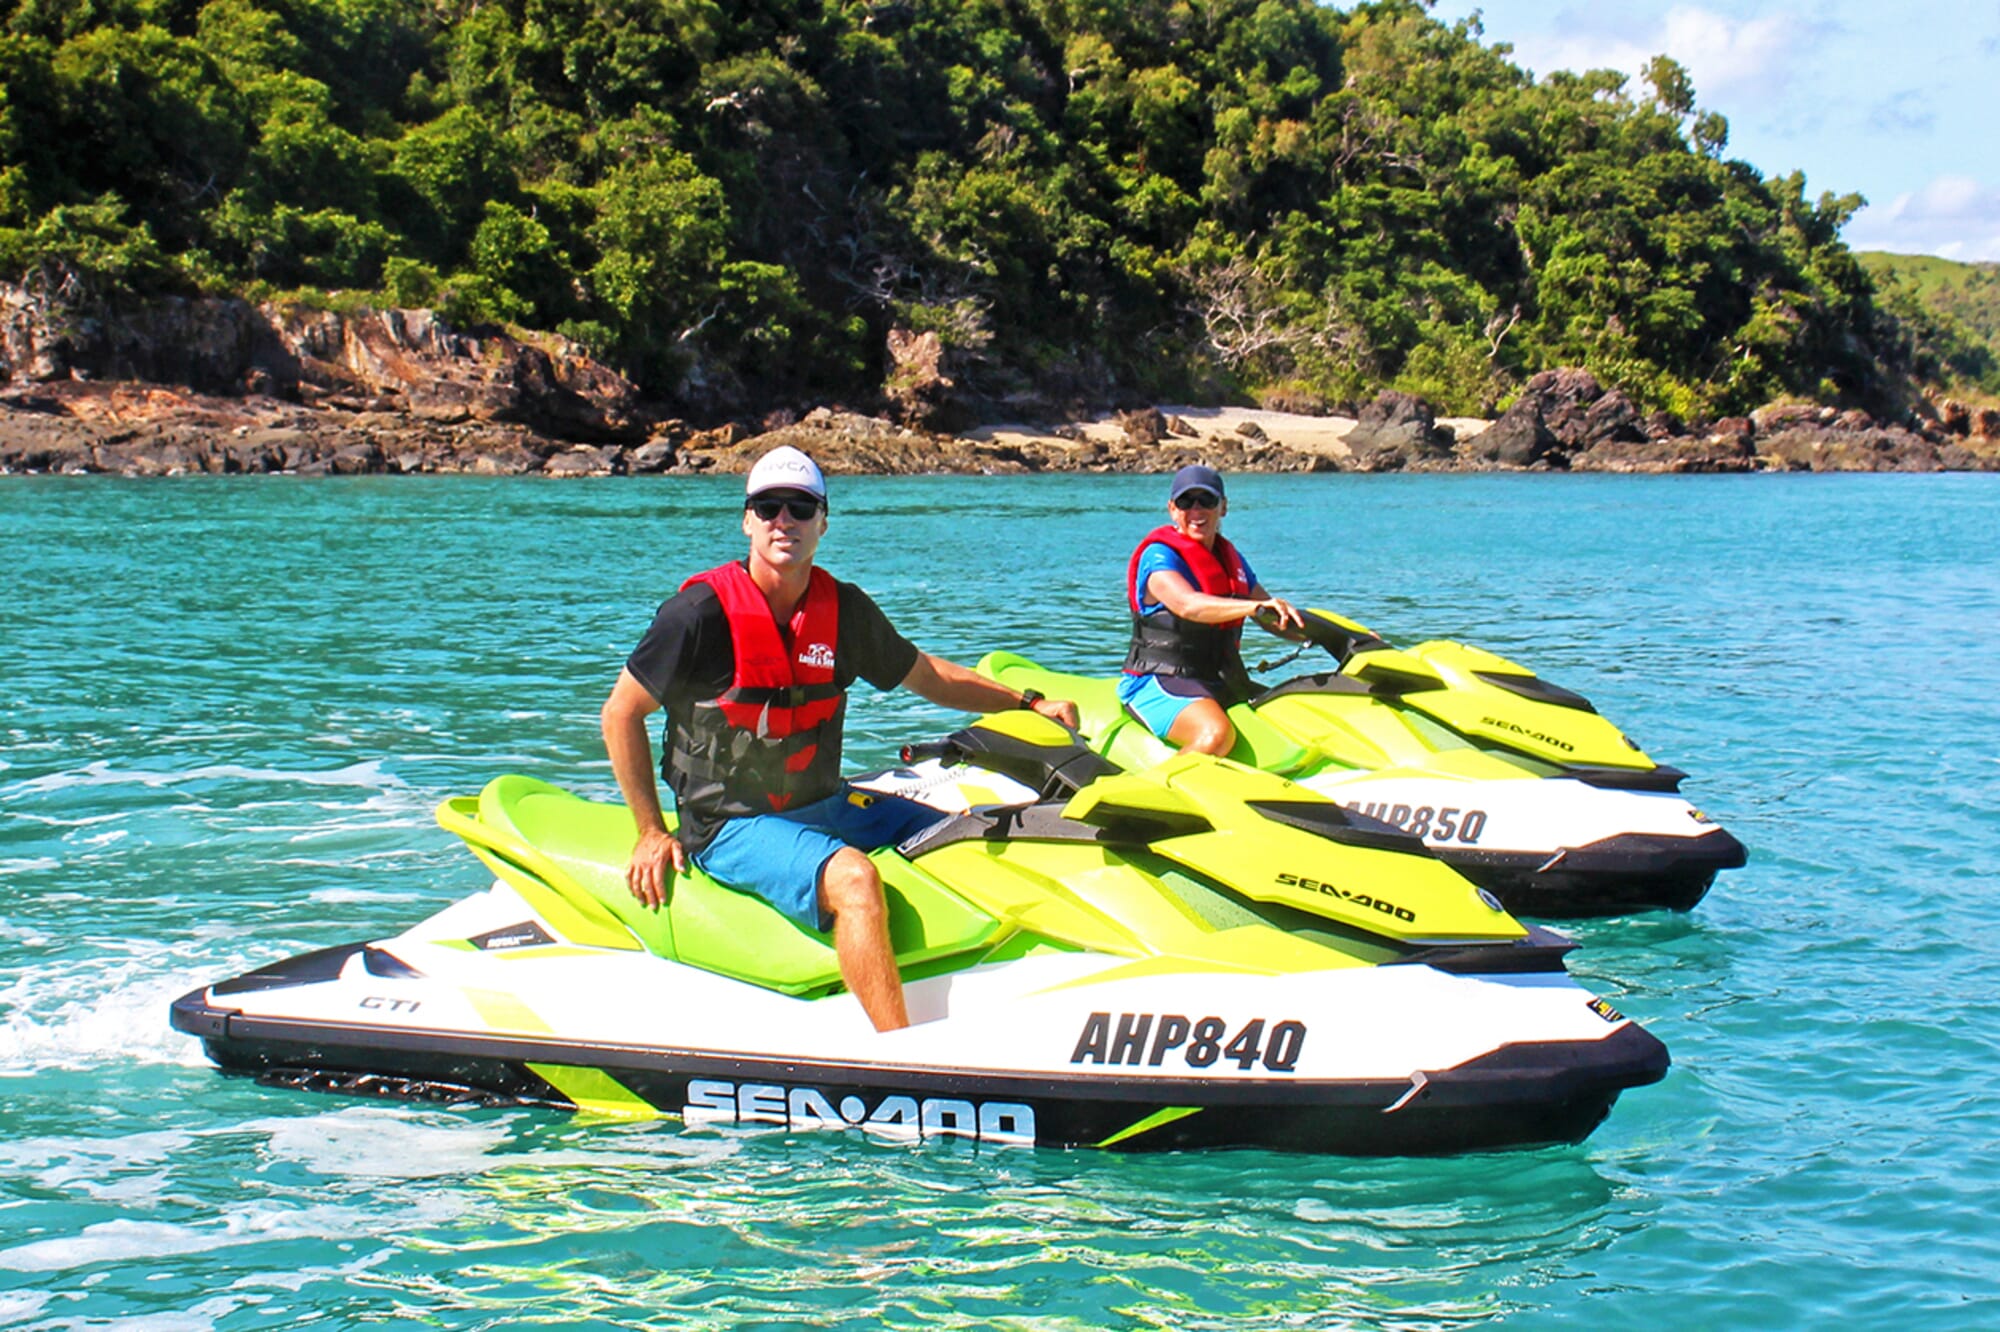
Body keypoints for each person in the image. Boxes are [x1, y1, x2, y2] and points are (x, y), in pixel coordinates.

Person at [600, 445, 1079, 1033]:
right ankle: (901, 1055)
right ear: (747, 519)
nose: (784, 521)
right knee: (855, 878)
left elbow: (926, 676)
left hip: (823, 804)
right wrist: (649, 830)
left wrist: (1028, 703)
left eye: (800, 508)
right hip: (728, 824)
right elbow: (620, 713)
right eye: (768, 507)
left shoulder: (842, 610)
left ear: (823, 522)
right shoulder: (698, 615)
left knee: (974, 824)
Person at [1118, 464, 1304, 756]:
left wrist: (1348, 635)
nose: (1196, 511)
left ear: (1223, 507)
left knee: (1298, 713)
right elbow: (1187, 604)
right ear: (1172, 509)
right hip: (1157, 681)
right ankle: (1149, 795)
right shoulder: (1159, 557)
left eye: (1206, 501)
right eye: (1185, 502)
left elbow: (1277, 620)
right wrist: (1253, 607)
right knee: (1215, 735)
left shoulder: (1231, 561)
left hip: (1218, 680)